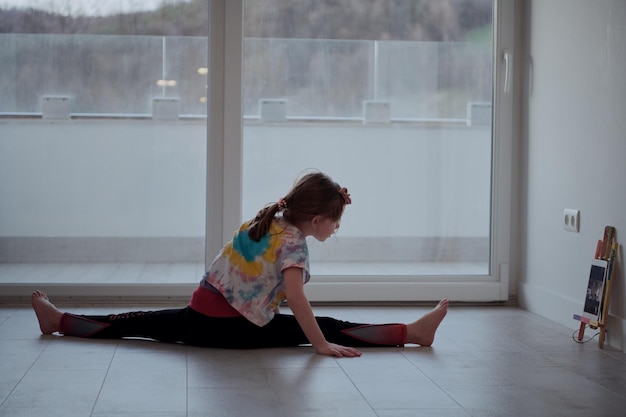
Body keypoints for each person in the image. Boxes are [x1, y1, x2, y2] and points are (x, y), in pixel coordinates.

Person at [32, 171, 448, 357]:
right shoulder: (294, 246)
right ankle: (412, 333)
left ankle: (60, 321)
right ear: (317, 219)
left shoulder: (266, 220)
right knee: (331, 326)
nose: (336, 229)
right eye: (336, 221)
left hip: (198, 314)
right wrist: (319, 343)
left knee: (134, 321)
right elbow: (298, 300)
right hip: (232, 330)